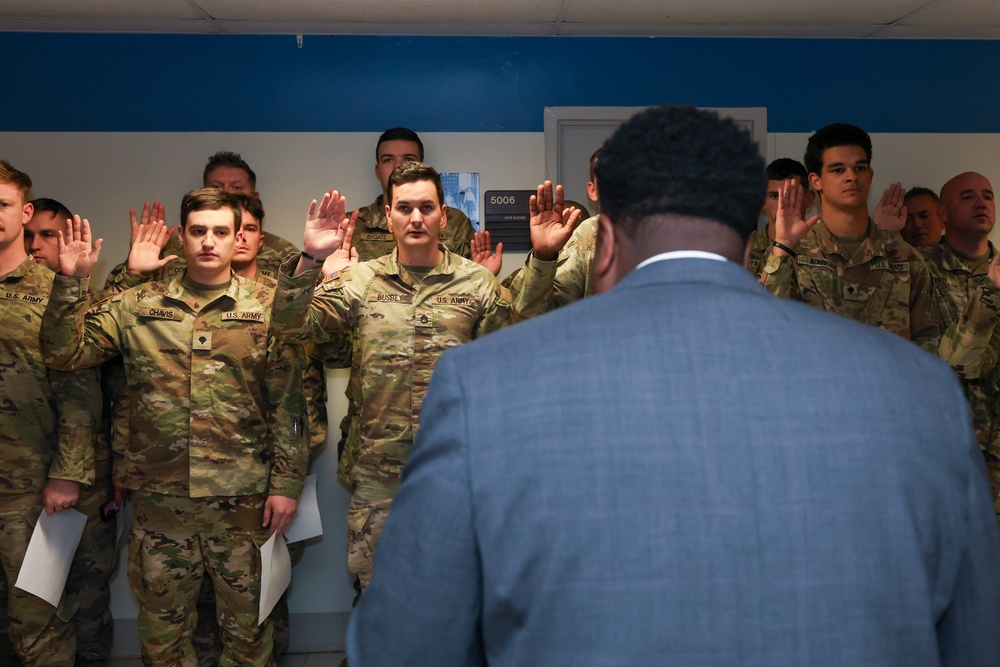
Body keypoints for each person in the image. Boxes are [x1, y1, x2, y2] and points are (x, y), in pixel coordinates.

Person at [346, 105, 1000, 666]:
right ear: (751, 246)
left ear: (603, 243)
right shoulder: (919, 388)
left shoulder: (483, 384)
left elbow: (401, 646)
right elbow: (975, 637)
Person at [271, 162, 573, 596]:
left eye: (426, 207)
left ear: (442, 216)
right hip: (379, 475)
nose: (416, 218)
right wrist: (311, 259)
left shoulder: (475, 283)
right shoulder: (360, 281)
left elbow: (517, 343)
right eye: (405, 207)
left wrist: (544, 258)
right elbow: (291, 327)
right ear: (389, 216)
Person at [40, 188, 307, 666]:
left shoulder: (268, 308)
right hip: (161, 504)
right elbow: (65, 352)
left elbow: (288, 402)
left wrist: (286, 484)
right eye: (199, 231)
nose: (209, 242)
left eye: (221, 232)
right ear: (181, 237)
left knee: (249, 635)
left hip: (241, 503)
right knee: (163, 639)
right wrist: (69, 282)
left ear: (240, 238)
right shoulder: (138, 304)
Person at [0, 161, 96, 666]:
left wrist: (68, 471)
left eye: (2, 204)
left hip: (29, 485)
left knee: (38, 619)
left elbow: (80, 389)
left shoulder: (54, 290)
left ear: (25, 211)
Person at [20, 196, 119, 667]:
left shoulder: (77, 297)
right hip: (15, 469)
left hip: (73, 473)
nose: (37, 245)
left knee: (83, 586)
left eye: (48, 235)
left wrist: (74, 469)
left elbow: (88, 390)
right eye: (31, 236)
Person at [759, 122, 940, 351]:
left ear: (870, 175)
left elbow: (928, 345)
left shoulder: (905, 258)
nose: (851, 177)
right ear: (816, 181)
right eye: (838, 170)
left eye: (859, 168)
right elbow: (766, 332)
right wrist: (783, 247)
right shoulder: (792, 252)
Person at [929, 172, 1000, 518]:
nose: (981, 203)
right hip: (950, 457)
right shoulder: (918, 268)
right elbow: (958, 363)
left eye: (987, 196)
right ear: (942, 214)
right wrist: (992, 294)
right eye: (968, 196)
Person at [343, 127, 475, 262]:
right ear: (378, 170)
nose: (398, 166)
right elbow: (326, 278)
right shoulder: (351, 225)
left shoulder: (455, 222)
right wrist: (323, 255)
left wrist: (483, 274)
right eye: (388, 160)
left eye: (408, 159)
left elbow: (468, 276)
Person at [748, 158, 814, 277]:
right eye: (774, 196)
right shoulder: (743, 249)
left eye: (790, 195)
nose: (782, 204)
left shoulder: (823, 248)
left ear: (808, 199)